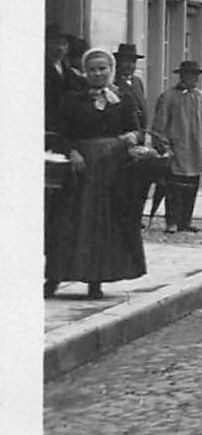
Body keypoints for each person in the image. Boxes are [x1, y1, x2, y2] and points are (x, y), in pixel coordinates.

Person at [46, 49, 147, 299]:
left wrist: (132, 137)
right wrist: (72, 152)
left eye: (103, 68)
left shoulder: (123, 99)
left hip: (113, 169)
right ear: (85, 72)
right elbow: (59, 132)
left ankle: (96, 281)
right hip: (81, 169)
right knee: (70, 222)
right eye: (92, 69)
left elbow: (137, 129)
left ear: (111, 70)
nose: (98, 73)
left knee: (107, 223)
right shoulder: (72, 99)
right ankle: (54, 279)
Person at [149, 60, 202, 234]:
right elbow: (159, 125)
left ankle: (185, 221)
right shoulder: (169, 97)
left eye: (196, 76)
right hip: (177, 149)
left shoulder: (201, 97)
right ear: (182, 76)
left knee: (191, 188)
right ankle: (171, 221)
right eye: (190, 75)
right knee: (173, 188)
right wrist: (163, 146)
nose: (193, 79)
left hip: (196, 149)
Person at [112, 43, 148, 129]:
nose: (130, 65)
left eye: (133, 62)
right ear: (118, 62)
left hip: (139, 131)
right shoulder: (113, 82)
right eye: (126, 61)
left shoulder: (137, 82)